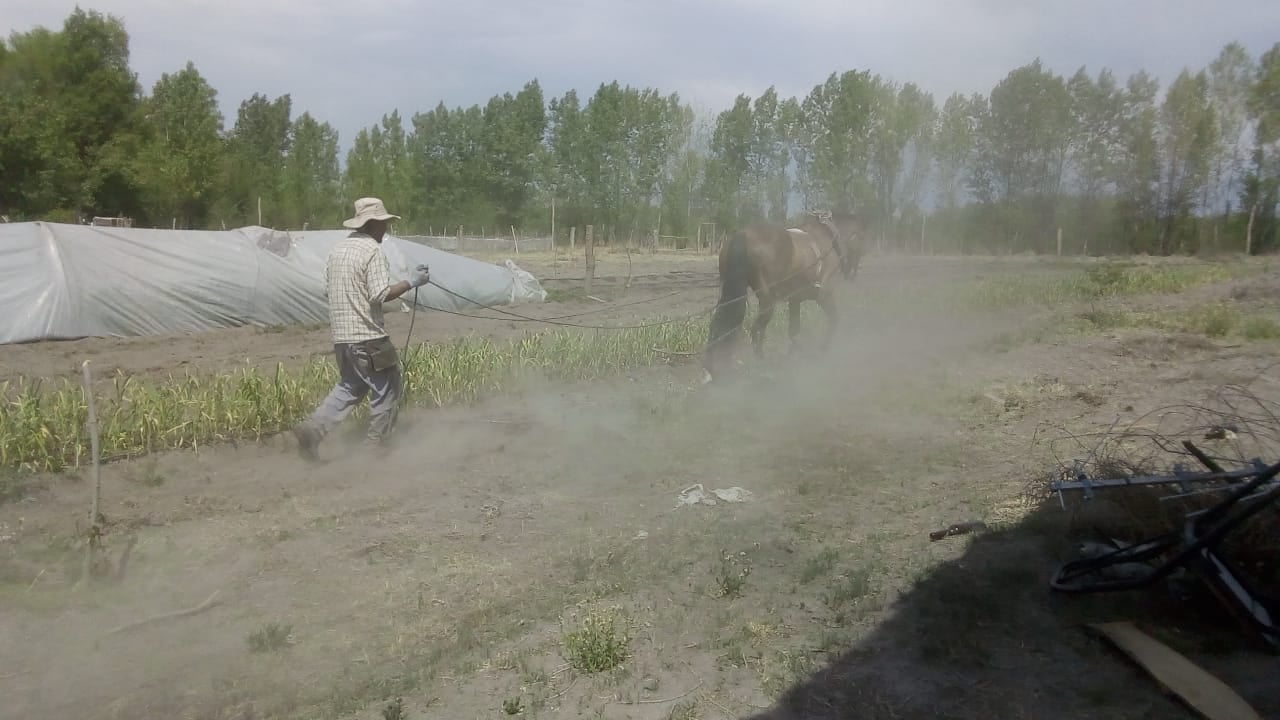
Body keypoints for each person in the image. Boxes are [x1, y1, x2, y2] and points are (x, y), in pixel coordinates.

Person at [292, 197, 430, 461]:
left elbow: (327, 290)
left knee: (350, 387)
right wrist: (412, 282)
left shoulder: (338, 251)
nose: (386, 229)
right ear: (373, 224)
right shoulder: (372, 251)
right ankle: (375, 447)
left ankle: (313, 428)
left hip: (343, 339)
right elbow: (379, 294)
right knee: (388, 388)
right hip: (369, 338)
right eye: (384, 224)